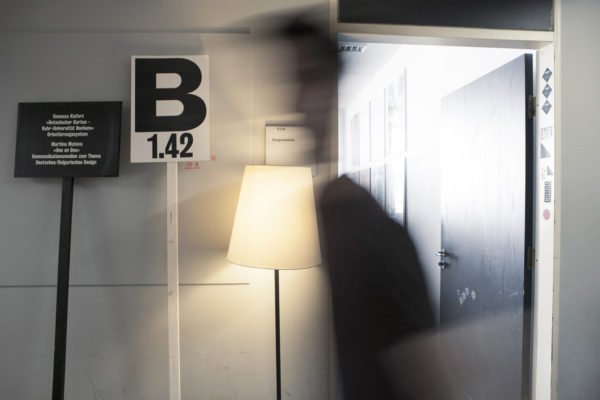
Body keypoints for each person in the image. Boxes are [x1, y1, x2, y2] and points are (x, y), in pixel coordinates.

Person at [280, 16, 436, 399]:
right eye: (290, 82)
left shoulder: (366, 224)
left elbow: (425, 374)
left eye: (308, 80)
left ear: (333, 86)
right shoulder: (329, 206)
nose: (295, 102)